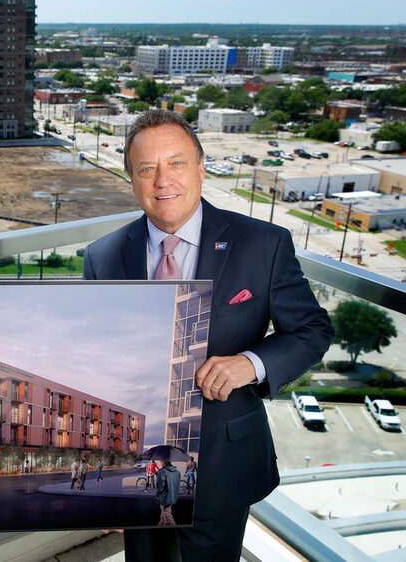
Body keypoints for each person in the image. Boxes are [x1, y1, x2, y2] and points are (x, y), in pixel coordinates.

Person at [83, 109, 333, 561]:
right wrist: (103, 470)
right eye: (146, 169)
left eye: (176, 162)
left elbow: (312, 330)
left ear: (200, 167)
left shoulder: (264, 244)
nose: (163, 181)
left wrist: (251, 364)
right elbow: (96, 359)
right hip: (140, 466)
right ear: (131, 179)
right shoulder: (103, 257)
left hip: (224, 460)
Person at [156, 460, 181, 527]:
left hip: (165, 497)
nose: (161, 463)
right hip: (173, 496)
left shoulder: (162, 471)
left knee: (168, 516)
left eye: (161, 461)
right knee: (164, 516)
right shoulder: (177, 472)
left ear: (164, 462)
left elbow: (160, 487)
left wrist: (158, 496)